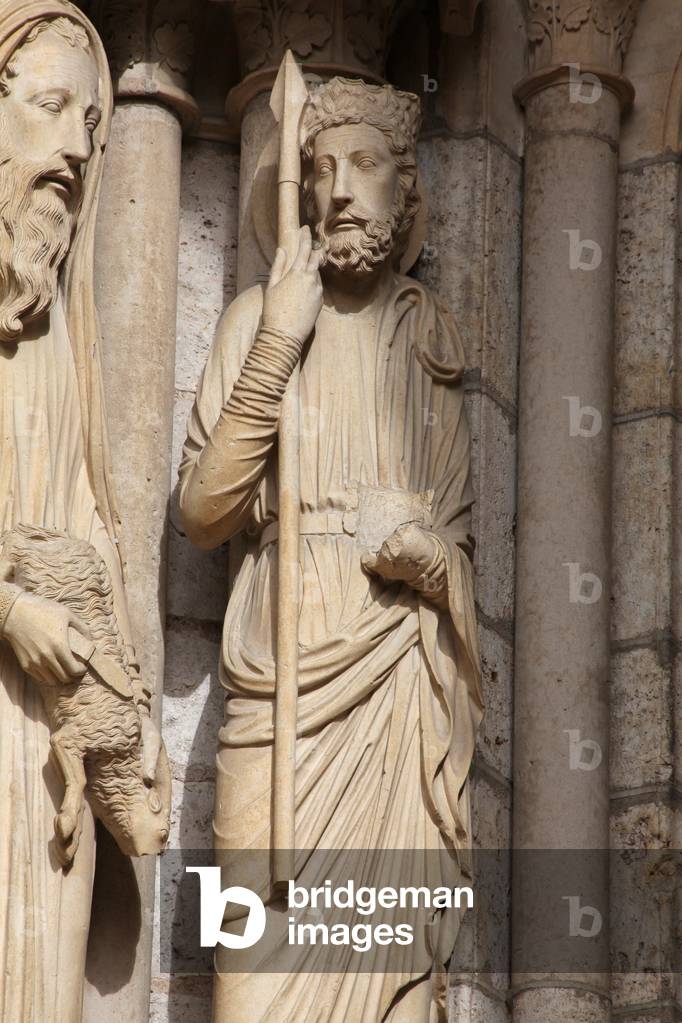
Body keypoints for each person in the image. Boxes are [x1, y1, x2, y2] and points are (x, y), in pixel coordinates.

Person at [180, 76, 483, 1022]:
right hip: (278, 688)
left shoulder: (423, 340)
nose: (341, 190)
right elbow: (203, 509)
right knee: (251, 990)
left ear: (407, 192)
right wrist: (278, 341)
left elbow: (459, 542)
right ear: (300, 197)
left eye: (364, 167)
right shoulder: (254, 322)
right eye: (320, 170)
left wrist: (428, 556)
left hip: (390, 692)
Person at [0, 4, 161, 1019]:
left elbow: (91, 519)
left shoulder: (63, 328)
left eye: (92, 128)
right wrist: (10, 610)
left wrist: (122, 708)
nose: (70, 147)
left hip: (51, 724)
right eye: (50, 108)